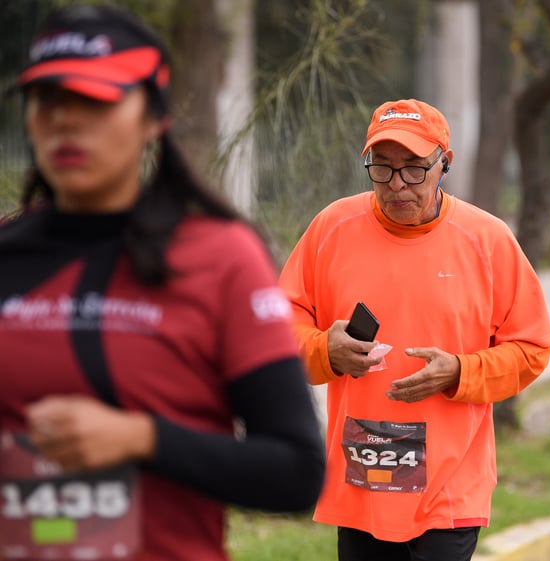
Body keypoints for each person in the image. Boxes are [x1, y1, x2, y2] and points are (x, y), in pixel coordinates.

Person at [0, 5, 324, 561]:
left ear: (154, 117)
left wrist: (141, 438)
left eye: (94, 100)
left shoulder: (220, 258)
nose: (66, 121)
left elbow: (296, 472)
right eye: (46, 99)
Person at [278, 98, 550, 560]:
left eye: (414, 168)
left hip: (450, 487)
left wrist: (459, 373)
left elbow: (531, 348)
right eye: (382, 168)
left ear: (444, 165)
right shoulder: (332, 229)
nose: (397, 185)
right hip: (361, 479)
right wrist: (325, 348)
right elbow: (277, 334)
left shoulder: (487, 240)